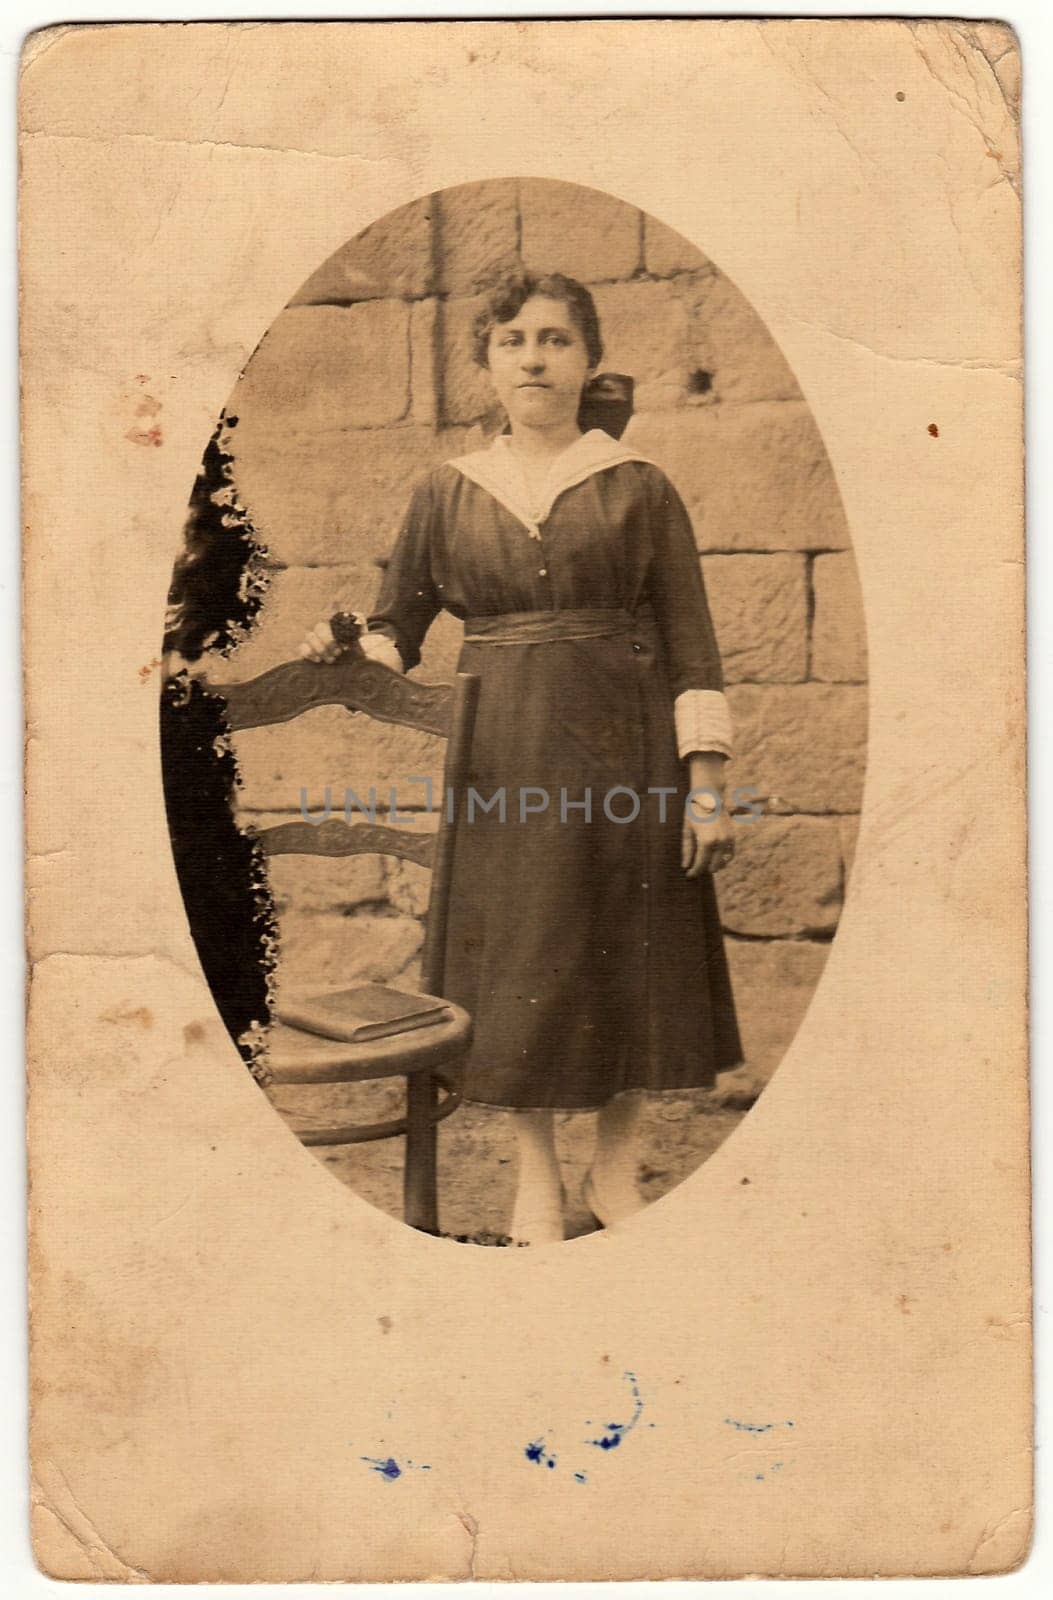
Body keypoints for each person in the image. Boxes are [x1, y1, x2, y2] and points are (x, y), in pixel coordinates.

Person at [301, 270, 743, 1244]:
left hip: (631, 756)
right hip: (503, 757)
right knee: (524, 965)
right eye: (512, 340)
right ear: (488, 365)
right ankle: (536, 1180)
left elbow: (693, 640)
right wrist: (354, 650)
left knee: (633, 960)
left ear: (589, 361)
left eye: (554, 339)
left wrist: (705, 784)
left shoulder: (639, 487)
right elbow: (397, 629)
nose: (534, 357)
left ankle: (616, 1173)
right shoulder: (448, 491)